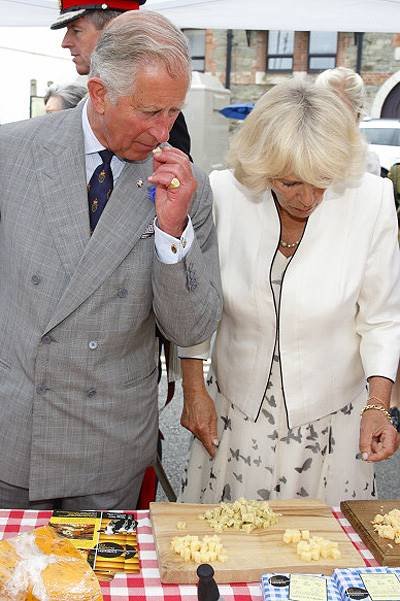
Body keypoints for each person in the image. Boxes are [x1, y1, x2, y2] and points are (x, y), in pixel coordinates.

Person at [0, 10, 221, 510]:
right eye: (149, 112)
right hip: (14, 434)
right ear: (99, 93)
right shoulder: (10, 155)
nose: (165, 131)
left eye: (174, 112)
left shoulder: (186, 186)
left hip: (107, 447)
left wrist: (172, 231)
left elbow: (191, 327)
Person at [179, 78, 400, 506]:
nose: (308, 198)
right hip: (238, 414)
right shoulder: (225, 193)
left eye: (322, 181)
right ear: (262, 168)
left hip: (332, 417)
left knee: (322, 555)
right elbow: (195, 303)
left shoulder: (371, 200)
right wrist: (193, 390)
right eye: (290, 183)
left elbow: (382, 318)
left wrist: (378, 404)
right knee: (227, 549)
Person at [50, 0, 192, 157]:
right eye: (150, 112)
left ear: (115, 31)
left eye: (76, 30)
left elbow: (173, 171)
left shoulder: (159, 102)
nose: (65, 42)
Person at [315, 67, 381, 176]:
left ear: (357, 115)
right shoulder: (294, 152)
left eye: (343, 112)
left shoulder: (368, 163)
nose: (335, 121)